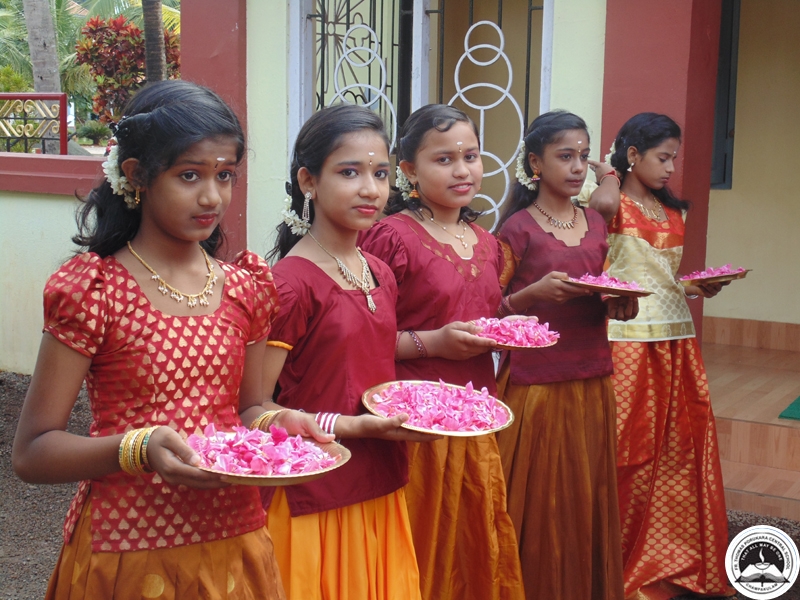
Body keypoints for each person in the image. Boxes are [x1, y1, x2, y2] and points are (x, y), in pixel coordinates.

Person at [10, 80, 330, 599]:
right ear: (137, 175)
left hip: (232, 540)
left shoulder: (245, 288)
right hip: (128, 549)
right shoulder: (95, 291)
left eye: (225, 175)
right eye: (189, 175)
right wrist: (140, 447)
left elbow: (248, 409)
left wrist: (282, 421)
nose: (212, 197)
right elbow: (33, 452)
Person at [262, 104, 432, 600]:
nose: (370, 189)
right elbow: (253, 409)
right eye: (349, 172)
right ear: (308, 181)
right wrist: (352, 427)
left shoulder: (380, 272)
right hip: (315, 491)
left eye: (380, 173)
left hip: (381, 477)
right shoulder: (289, 285)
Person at [359, 104, 525, 600]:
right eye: (444, 159)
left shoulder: (489, 244)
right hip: (412, 426)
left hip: (476, 419)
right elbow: (362, 339)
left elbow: (480, 314)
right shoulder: (390, 238)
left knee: (473, 544)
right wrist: (434, 343)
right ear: (409, 171)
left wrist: (508, 328)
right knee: (421, 545)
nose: (462, 170)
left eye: (470, 156)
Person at [589, 113, 732, 600]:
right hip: (627, 343)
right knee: (627, 450)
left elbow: (663, 278)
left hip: (676, 341)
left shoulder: (672, 211)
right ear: (633, 155)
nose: (671, 168)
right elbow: (601, 264)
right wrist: (608, 173)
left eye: (674, 158)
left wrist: (697, 286)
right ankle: (614, 559)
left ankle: (669, 555)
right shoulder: (611, 205)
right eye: (663, 157)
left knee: (678, 449)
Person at [494, 110, 636, 600]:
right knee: (536, 506)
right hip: (535, 386)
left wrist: (621, 302)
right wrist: (531, 295)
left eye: (583, 156)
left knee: (584, 499)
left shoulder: (595, 223)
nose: (577, 167)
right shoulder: (516, 229)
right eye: (565, 156)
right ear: (536, 163)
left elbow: (605, 292)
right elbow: (489, 312)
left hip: (592, 377)